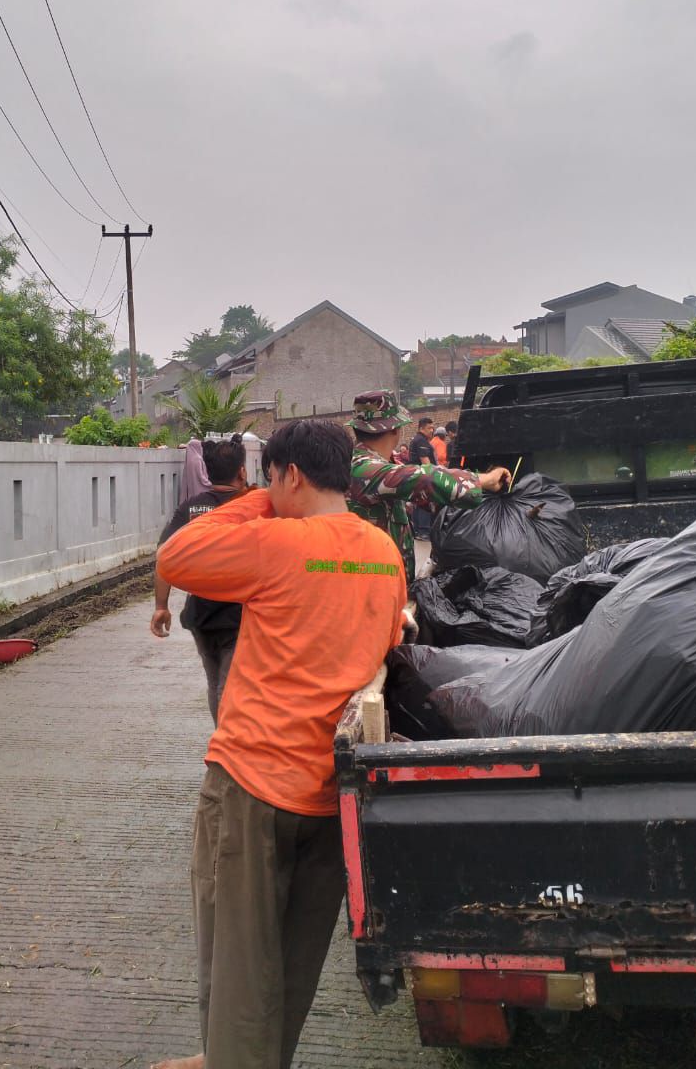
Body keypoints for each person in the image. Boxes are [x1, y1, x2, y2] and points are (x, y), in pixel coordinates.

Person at [151, 420, 405, 1069]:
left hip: (252, 785)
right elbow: (390, 647)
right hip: (329, 794)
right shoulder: (382, 552)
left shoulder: (276, 538)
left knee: (238, 964)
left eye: (275, 476)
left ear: (291, 474)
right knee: (292, 965)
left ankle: (231, 1060)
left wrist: (262, 498)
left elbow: (176, 557)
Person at [347, 390, 511, 585]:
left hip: (386, 588)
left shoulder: (380, 465)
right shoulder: (362, 468)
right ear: (395, 429)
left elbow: (411, 497)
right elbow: (425, 478)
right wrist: (486, 480)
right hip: (370, 593)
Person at [151, 437, 248, 723]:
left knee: (215, 680)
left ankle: (223, 740)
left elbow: (163, 557)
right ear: (242, 471)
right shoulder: (252, 507)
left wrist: (161, 606)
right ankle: (226, 747)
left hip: (201, 615)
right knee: (229, 686)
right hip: (239, 615)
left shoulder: (191, 509)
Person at [407, 416, 437, 538]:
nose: (432, 430)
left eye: (432, 428)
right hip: (423, 476)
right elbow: (426, 462)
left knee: (418, 502)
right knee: (425, 502)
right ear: (421, 428)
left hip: (418, 476)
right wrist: (436, 476)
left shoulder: (418, 439)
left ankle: (419, 530)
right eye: (429, 428)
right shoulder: (421, 441)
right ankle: (423, 531)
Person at [179, 437, 210, 503]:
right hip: (199, 490)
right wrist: (210, 484)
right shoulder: (198, 459)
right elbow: (201, 477)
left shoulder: (189, 459)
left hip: (191, 489)